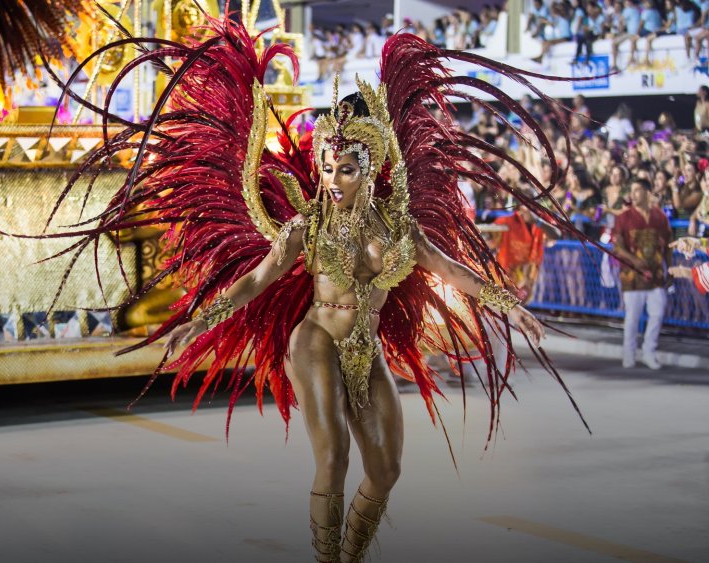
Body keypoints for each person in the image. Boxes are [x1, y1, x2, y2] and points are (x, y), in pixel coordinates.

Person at [40, 17, 589, 562]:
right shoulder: (308, 227)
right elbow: (257, 279)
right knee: (334, 457)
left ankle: (350, 556)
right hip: (316, 339)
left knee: (387, 469)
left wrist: (509, 307)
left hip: (365, 346)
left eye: (345, 169)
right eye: (327, 167)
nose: (333, 180)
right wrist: (202, 319)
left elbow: (453, 270)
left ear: (369, 169)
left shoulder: (400, 228)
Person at [612, 178, 673, 369]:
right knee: (633, 316)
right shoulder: (624, 217)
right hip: (632, 275)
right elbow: (617, 246)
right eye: (632, 190)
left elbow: (668, 246)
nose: (633, 194)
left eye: (637, 190)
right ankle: (629, 353)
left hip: (656, 275)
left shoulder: (660, 217)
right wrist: (634, 259)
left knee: (658, 313)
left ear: (647, 192)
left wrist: (670, 269)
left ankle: (649, 351)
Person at [494, 198, 560, 301]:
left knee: (521, 304)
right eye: (527, 204)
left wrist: (537, 221)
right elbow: (491, 238)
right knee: (502, 304)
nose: (530, 208)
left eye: (534, 205)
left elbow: (556, 235)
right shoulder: (506, 221)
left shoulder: (540, 222)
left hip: (528, 280)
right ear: (520, 207)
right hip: (506, 279)